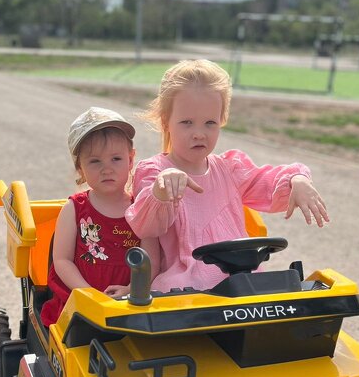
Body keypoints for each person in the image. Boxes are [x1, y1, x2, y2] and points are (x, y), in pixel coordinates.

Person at [125, 59, 329, 293]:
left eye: (210, 123)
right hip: (187, 284)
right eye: (187, 123)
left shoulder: (230, 169)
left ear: (221, 121)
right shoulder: (155, 172)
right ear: (166, 122)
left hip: (242, 279)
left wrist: (297, 179)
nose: (199, 134)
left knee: (290, 288)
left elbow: (268, 184)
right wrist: (161, 192)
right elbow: (146, 227)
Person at [40, 107, 143, 327]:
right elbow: (62, 260)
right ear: (80, 168)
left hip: (130, 301)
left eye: (116, 159)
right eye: (95, 161)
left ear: (131, 159)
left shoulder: (140, 207)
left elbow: (153, 258)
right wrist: (87, 293)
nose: (107, 169)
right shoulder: (75, 208)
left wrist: (133, 288)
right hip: (81, 300)